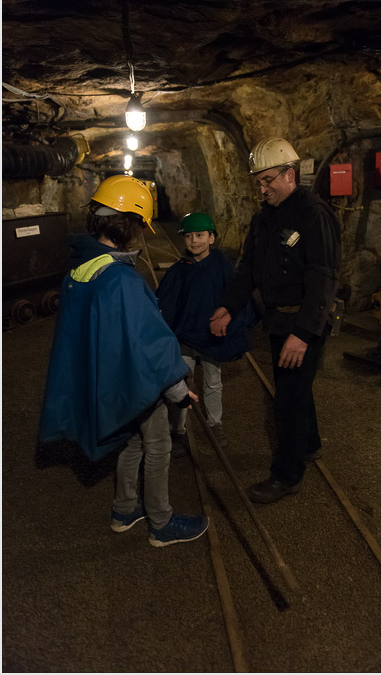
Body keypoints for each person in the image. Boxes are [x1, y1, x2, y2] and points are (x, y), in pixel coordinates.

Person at [38, 175, 209, 547]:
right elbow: (147, 342)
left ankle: (124, 509)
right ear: (129, 225)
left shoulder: (80, 271)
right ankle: (161, 523)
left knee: (132, 441)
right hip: (136, 381)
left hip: (110, 379)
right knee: (159, 442)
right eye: (140, 226)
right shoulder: (122, 280)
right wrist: (178, 387)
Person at [210, 138, 341, 504]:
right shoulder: (264, 218)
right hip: (278, 322)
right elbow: (248, 267)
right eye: (258, 181)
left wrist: (302, 333)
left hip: (303, 324)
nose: (262, 187)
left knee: (288, 397)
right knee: (293, 388)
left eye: (267, 179)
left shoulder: (315, 215)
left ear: (290, 174)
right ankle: (309, 444)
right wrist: (229, 307)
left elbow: (323, 278)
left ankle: (286, 475)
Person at [157, 212, 257, 456]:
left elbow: (237, 298)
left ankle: (215, 424)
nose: (194, 241)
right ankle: (178, 430)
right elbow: (166, 302)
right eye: (189, 237)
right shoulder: (179, 270)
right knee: (180, 383)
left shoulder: (223, 268)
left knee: (213, 382)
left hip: (211, 339)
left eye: (200, 235)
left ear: (211, 238)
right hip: (184, 338)